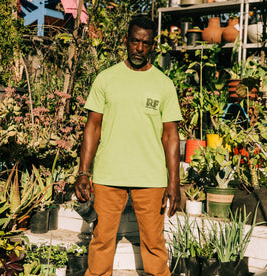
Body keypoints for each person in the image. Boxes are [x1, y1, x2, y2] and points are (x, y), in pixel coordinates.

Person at [74, 16, 183, 276]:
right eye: (135, 41)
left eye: (145, 43)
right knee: (101, 242)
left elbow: (171, 135)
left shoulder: (164, 84)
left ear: (153, 46)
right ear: (126, 41)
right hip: (109, 175)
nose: (139, 48)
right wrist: (83, 172)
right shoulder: (106, 78)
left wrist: (174, 182)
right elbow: (93, 127)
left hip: (151, 178)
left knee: (155, 246)